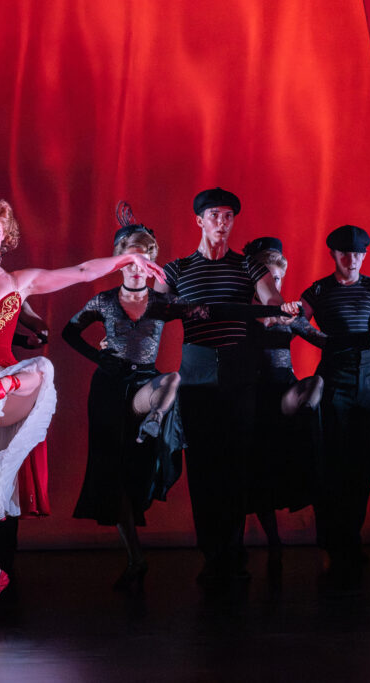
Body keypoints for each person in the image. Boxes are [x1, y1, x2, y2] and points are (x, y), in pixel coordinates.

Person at [0, 193, 164, 621]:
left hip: (5, 384)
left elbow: (81, 272)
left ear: (4, 236)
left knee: (42, 369)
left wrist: (123, 262)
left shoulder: (20, 281)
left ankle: (9, 382)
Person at [153, 188, 285, 586]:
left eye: (228, 216)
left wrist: (268, 301)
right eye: (215, 215)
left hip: (238, 369)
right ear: (199, 220)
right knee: (204, 466)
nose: (222, 222)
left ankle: (234, 548)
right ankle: (212, 553)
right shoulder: (177, 270)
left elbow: (272, 301)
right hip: (195, 372)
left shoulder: (247, 265)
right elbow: (152, 310)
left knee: (237, 463)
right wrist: (181, 309)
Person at [63, 206, 190, 590]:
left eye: (145, 261)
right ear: (119, 263)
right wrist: (100, 356)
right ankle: (135, 557)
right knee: (112, 476)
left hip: (146, 388)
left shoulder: (161, 302)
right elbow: (69, 334)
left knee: (142, 464)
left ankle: (154, 422)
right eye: (130, 261)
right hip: (108, 390)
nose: (137, 268)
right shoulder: (102, 302)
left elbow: (183, 300)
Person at [286, 225, 370, 587]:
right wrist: (321, 338)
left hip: (366, 381)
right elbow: (294, 321)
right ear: (333, 255)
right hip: (331, 381)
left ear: (365, 255)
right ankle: (331, 542)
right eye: (345, 254)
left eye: (358, 253)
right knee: (332, 462)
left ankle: (351, 539)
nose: (352, 260)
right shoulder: (319, 290)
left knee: (362, 464)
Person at [242, 237, 326, 575]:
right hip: (252, 397)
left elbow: (322, 339)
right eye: (268, 279)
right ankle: (274, 543)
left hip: (284, 392)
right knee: (258, 474)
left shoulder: (287, 315)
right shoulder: (241, 313)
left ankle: (326, 541)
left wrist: (366, 339)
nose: (274, 285)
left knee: (316, 388)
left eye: (278, 279)